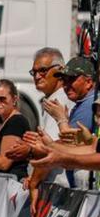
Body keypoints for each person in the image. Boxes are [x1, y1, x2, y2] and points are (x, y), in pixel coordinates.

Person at [13, 48, 71, 187]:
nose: (37, 76)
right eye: (34, 72)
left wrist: (34, 181)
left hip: (59, 187)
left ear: (60, 70)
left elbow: (49, 151)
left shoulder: (58, 101)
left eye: (43, 70)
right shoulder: (53, 98)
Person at [41, 56, 96, 188]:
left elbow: (69, 145)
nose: (66, 85)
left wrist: (61, 120)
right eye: (64, 80)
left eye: (71, 79)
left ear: (88, 82)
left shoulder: (89, 105)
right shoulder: (83, 103)